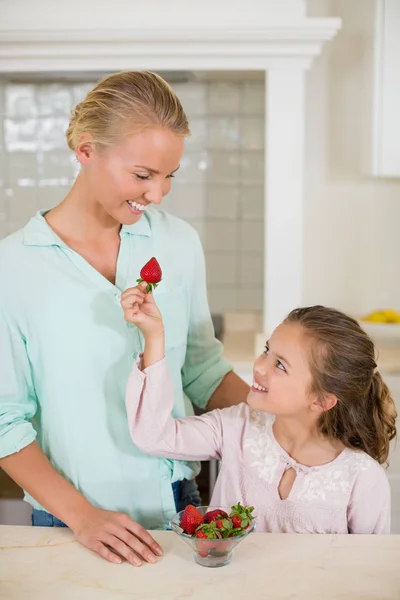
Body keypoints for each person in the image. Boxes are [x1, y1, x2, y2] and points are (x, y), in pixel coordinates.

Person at [0, 71, 249, 566]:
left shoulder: (177, 243)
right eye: (143, 175)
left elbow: (201, 370)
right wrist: (84, 516)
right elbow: (5, 424)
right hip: (72, 520)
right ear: (86, 150)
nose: (157, 195)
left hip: (184, 506)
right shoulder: (14, 268)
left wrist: (294, 420)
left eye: (169, 176)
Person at [123, 288, 397, 534]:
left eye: (280, 365)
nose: (260, 366)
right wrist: (154, 338)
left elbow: (364, 573)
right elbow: (154, 435)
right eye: (267, 350)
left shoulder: (362, 479)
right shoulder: (236, 426)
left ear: (322, 401)